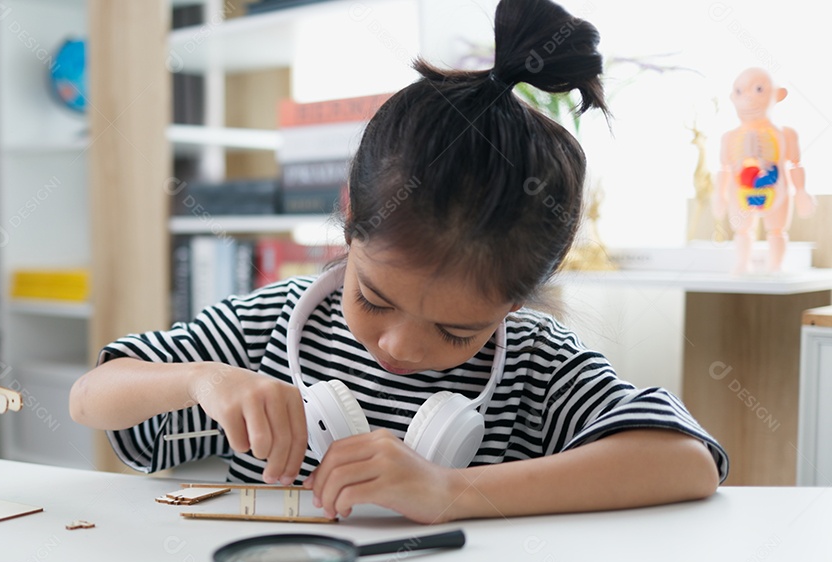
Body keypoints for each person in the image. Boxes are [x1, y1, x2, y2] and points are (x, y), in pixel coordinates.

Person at [70, 0, 727, 524]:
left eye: (457, 331)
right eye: (376, 298)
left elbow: (686, 461)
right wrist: (199, 381)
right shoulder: (275, 327)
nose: (398, 343)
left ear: (516, 302)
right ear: (349, 214)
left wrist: (452, 490)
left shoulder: (534, 366)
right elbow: (89, 398)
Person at [714, 66, 815, 274]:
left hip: (776, 189)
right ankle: (742, 264)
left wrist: (801, 191)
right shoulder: (729, 137)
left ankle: (775, 266)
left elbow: (795, 163)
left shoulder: (786, 134)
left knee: (777, 230)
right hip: (741, 192)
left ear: (778, 95)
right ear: (732, 97)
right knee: (742, 230)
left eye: (758, 89)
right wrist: (719, 194)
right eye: (740, 92)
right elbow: (724, 168)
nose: (748, 99)